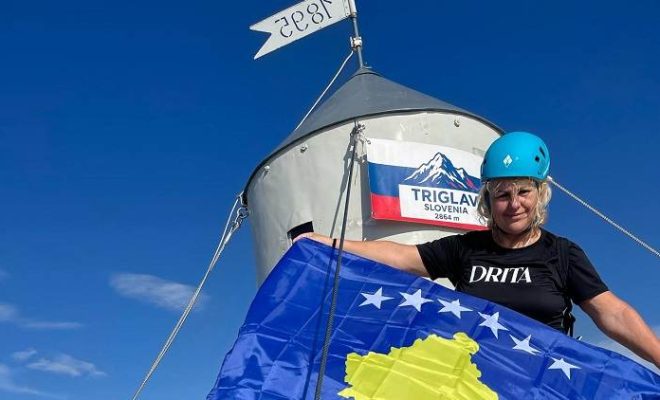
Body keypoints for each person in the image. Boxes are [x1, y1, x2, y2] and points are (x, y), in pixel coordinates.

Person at [297, 131, 660, 369]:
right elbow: (402, 258)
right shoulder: (465, 248)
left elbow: (612, 313)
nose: (514, 204)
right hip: (476, 379)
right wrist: (330, 244)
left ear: (540, 194)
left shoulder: (563, 254)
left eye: (524, 192)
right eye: (502, 194)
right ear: (488, 199)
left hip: (542, 382)